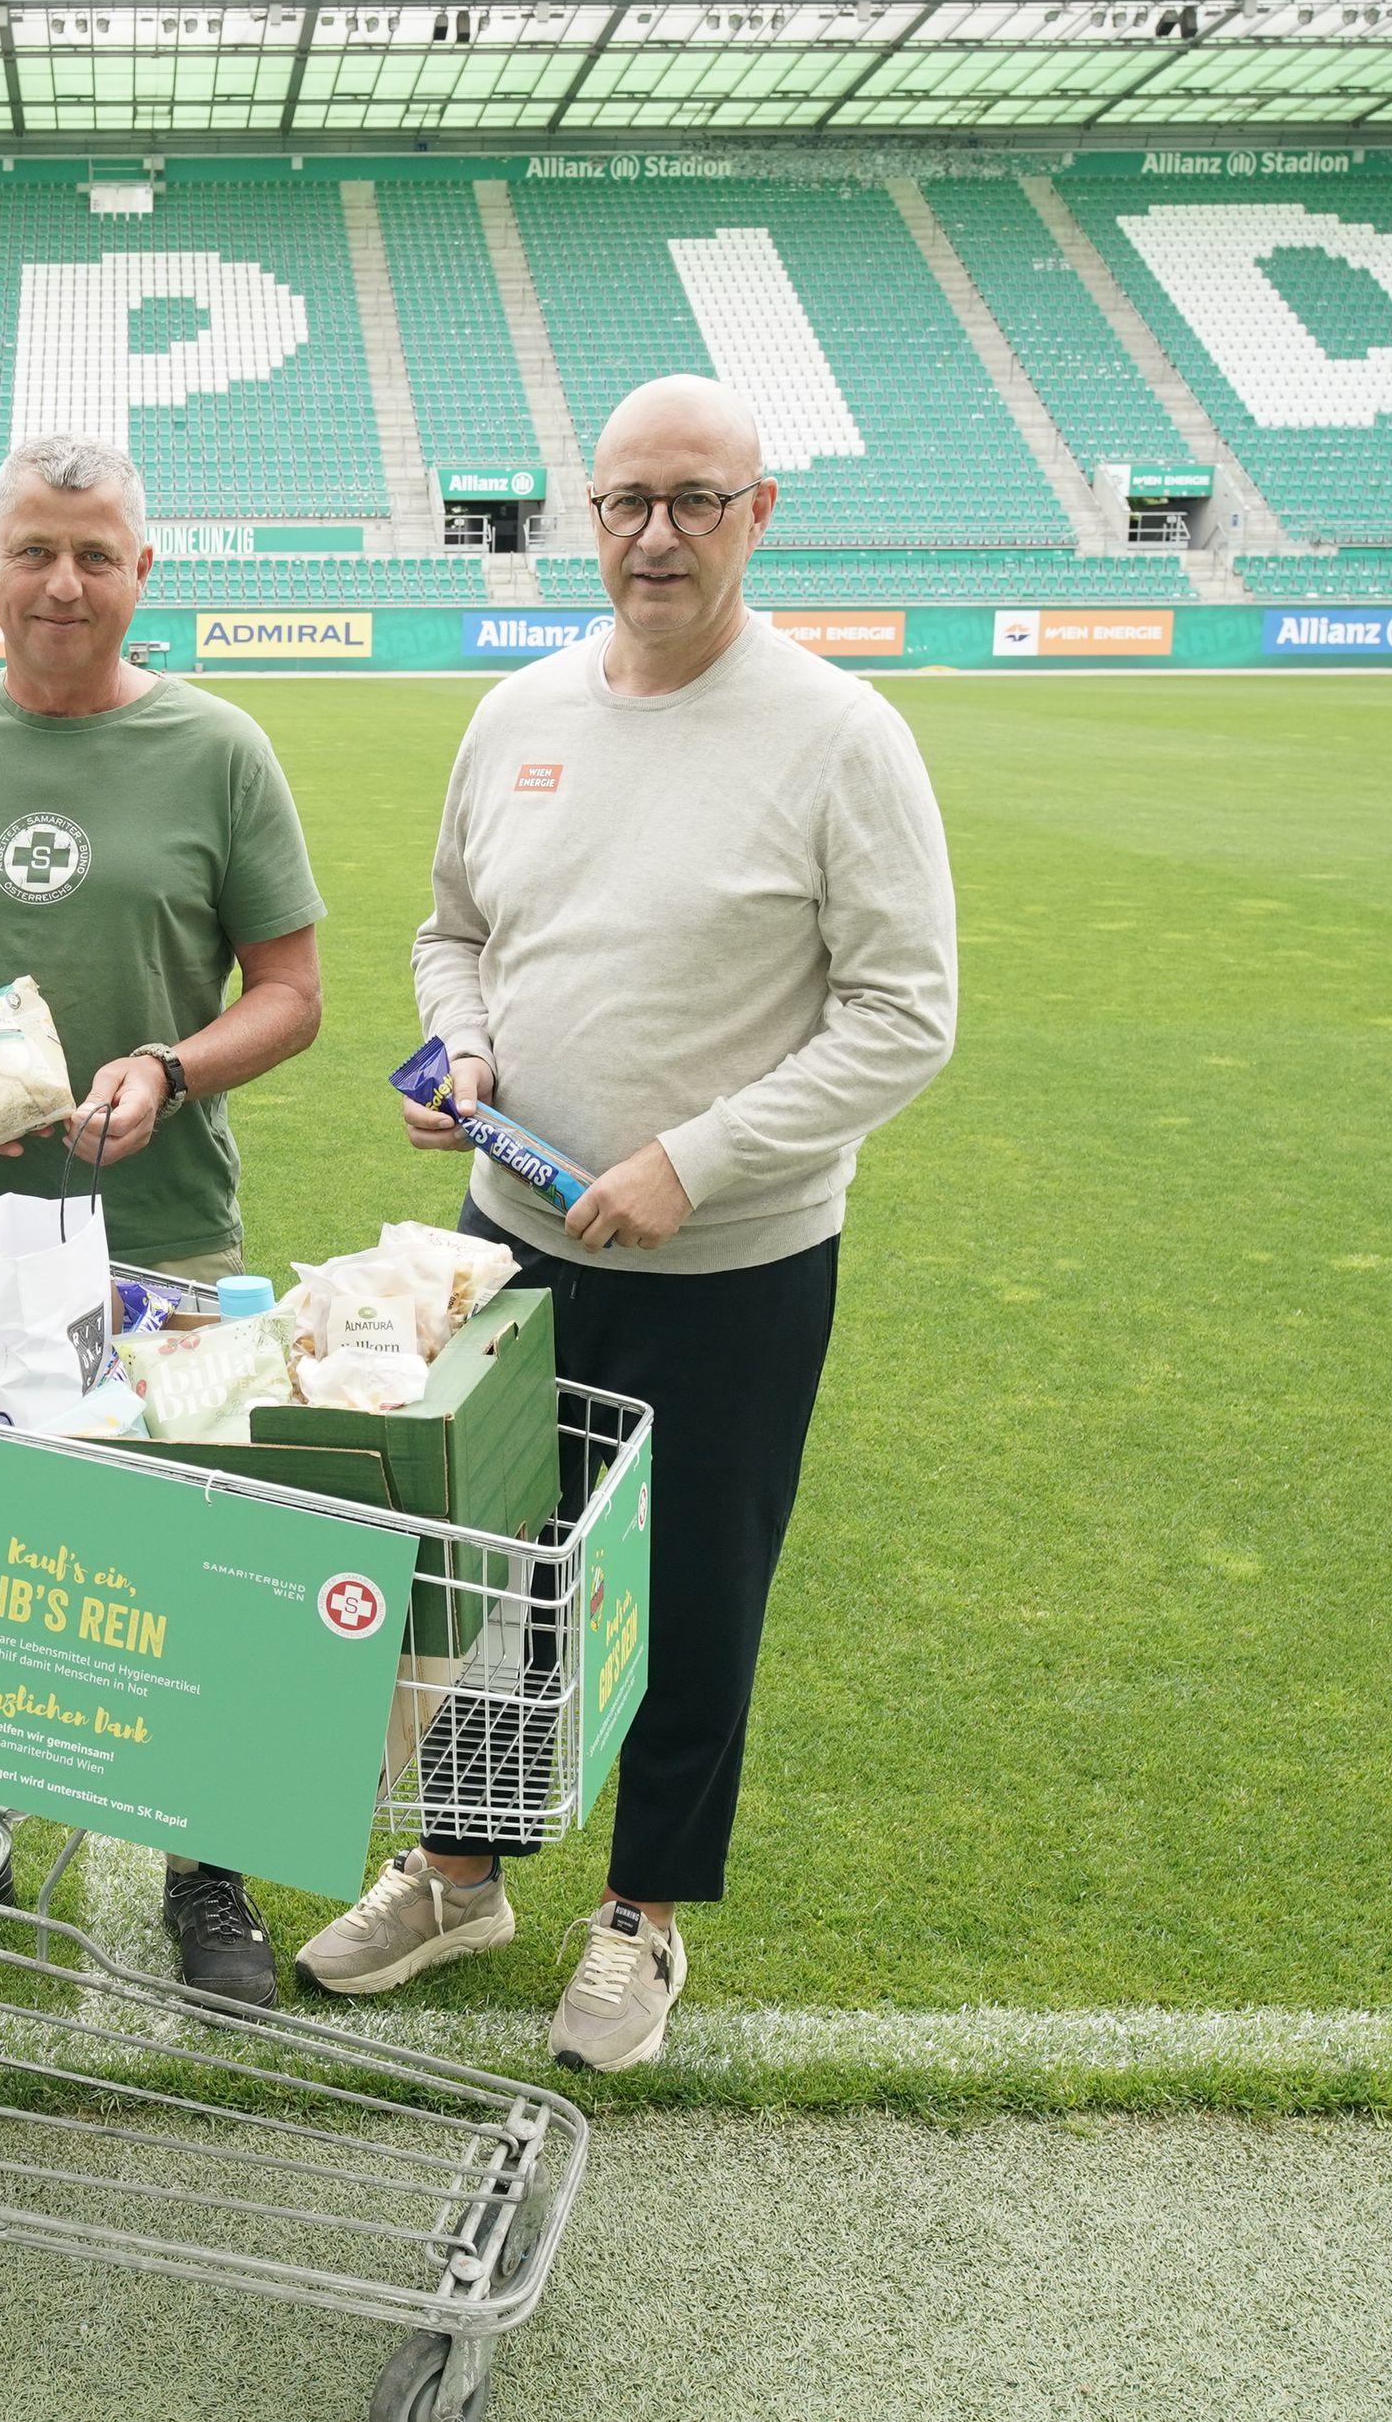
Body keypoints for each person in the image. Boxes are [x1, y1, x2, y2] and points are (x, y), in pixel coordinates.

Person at [292, 374, 959, 2072]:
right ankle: (459, 1874)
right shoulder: (516, 713)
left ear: (760, 514)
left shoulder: (839, 737)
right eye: (626, 502)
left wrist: (701, 1159)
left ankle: (642, 1917)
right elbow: (452, 931)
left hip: (729, 1263)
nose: (656, 535)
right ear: (586, 515)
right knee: (488, 1575)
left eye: (695, 501)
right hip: (507, 1239)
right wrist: (463, 1042)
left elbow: (904, 1013)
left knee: (691, 1594)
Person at [0, 429, 327, 2005]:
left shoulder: (220, 753)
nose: (62, 582)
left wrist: (172, 1066)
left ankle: (206, 1869)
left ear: (141, 573)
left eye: (95, 554)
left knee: (186, 1555)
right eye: (33, 550)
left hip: (166, 1229)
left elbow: (294, 997)